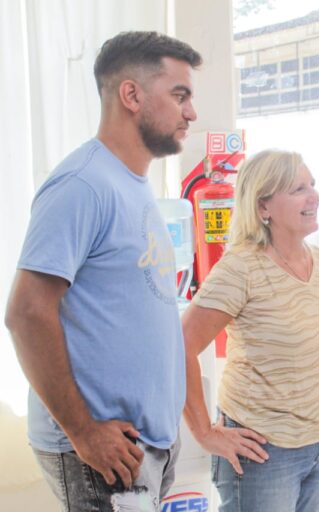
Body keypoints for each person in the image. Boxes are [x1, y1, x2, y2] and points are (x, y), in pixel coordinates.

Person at [4, 31, 201, 510]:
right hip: (102, 450)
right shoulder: (82, 184)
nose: (191, 112)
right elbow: (26, 312)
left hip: (143, 444)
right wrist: (83, 432)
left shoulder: (132, 183)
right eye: (179, 95)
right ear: (131, 95)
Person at [182, 150, 319, 512]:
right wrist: (205, 432)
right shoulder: (241, 267)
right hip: (264, 453)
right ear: (263, 208)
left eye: (313, 185)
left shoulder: (317, 260)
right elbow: (178, 348)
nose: (314, 196)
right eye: (298, 188)